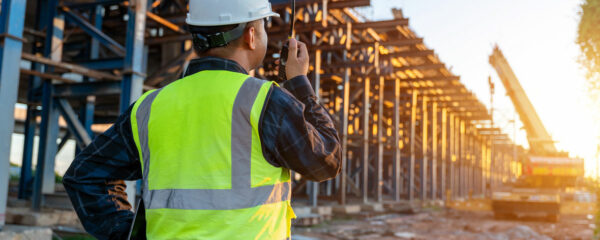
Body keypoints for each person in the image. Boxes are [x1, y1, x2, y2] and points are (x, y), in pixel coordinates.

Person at [62, 0, 342, 239]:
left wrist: (130, 234)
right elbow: (326, 162)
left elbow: (84, 176)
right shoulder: (266, 101)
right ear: (251, 35)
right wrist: (300, 84)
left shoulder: (149, 106)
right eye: (264, 26)